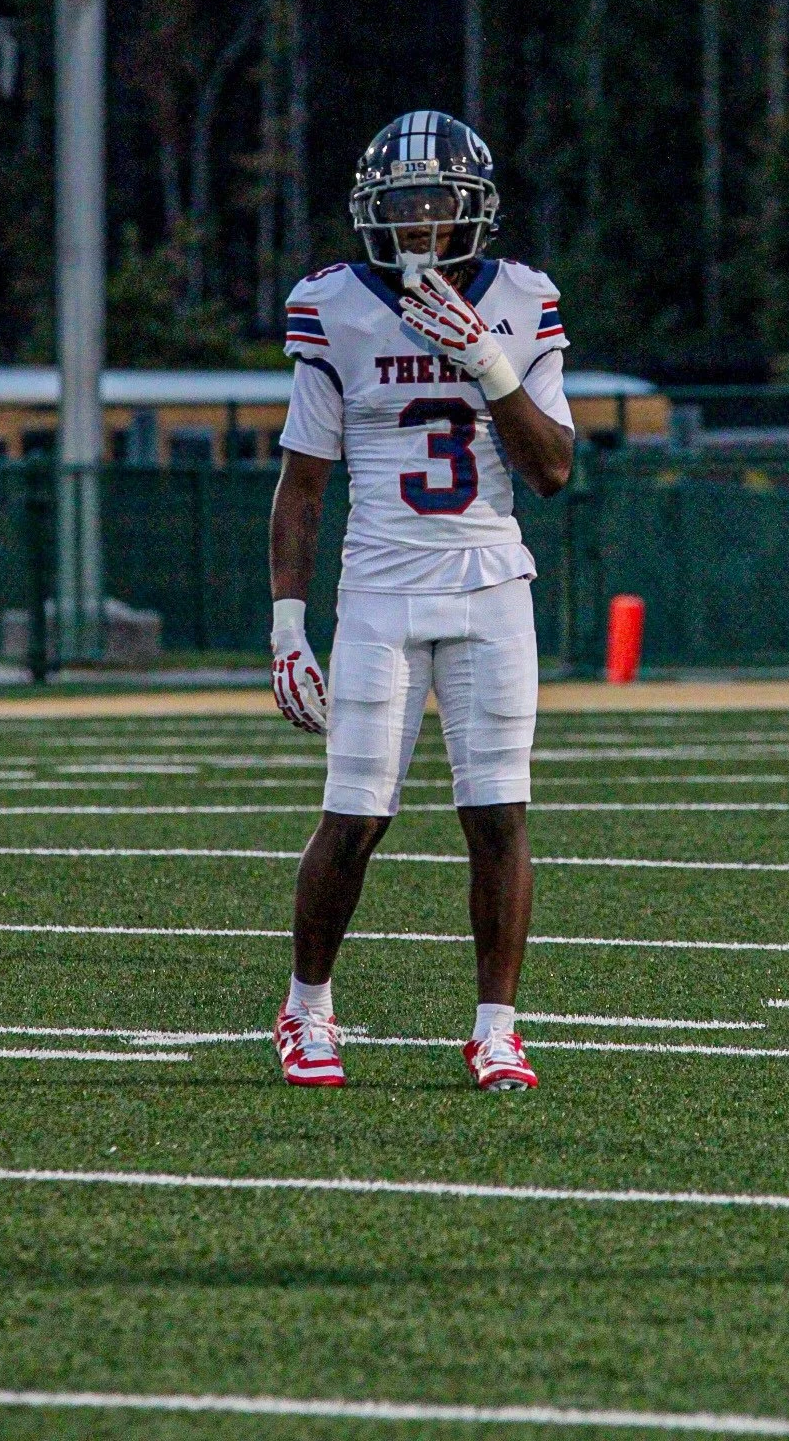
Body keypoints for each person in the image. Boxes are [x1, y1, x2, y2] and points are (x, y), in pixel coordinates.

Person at [269, 110, 574, 1091]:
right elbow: (303, 480)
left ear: (469, 209)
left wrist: (487, 363)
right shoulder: (334, 305)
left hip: (490, 584)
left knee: (496, 812)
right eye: (397, 205)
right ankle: (304, 1008)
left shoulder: (523, 300)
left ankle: (495, 1026)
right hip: (379, 592)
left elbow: (555, 469)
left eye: (432, 203)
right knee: (354, 815)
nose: (414, 224)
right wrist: (287, 623)